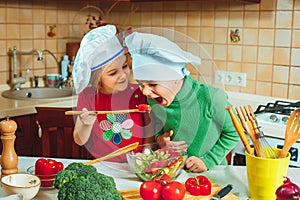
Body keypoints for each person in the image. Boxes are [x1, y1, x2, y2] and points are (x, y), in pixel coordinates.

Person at [125, 32, 240, 172]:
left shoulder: (211, 97)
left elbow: (234, 133)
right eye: (140, 84)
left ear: (175, 77)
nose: (145, 92)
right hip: (173, 173)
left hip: (212, 174)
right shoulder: (153, 99)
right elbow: (158, 128)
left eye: (152, 84)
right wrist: (160, 140)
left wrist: (208, 161)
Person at [72, 25, 154, 162]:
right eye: (113, 73)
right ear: (97, 79)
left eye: (124, 66)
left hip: (136, 163)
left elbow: (149, 128)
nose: (123, 75)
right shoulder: (88, 96)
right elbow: (79, 140)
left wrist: (146, 152)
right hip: (103, 165)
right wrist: (85, 124)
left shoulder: (139, 92)